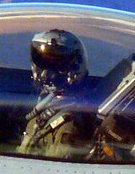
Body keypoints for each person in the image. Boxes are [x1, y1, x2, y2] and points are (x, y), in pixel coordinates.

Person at [17, 29, 97, 160]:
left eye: (56, 66)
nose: (46, 74)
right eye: (43, 64)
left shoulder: (69, 124)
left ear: (74, 69)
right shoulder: (43, 107)